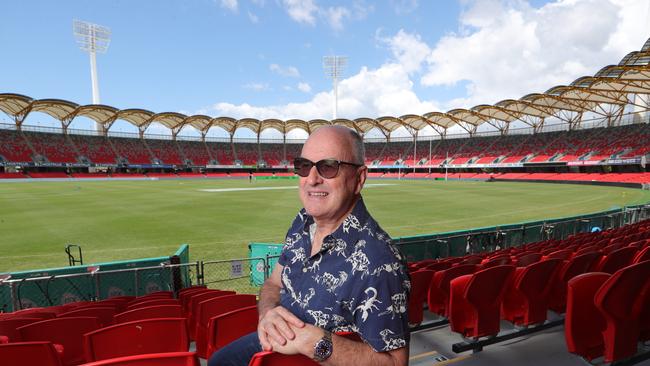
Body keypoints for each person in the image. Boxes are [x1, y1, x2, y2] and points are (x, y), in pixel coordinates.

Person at [208, 126, 410, 366]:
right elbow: (274, 283)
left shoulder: (380, 263)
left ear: (359, 178)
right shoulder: (302, 221)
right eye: (304, 166)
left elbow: (395, 363)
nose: (312, 179)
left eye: (328, 166)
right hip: (275, 348)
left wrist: (314, 343)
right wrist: (268, 312)